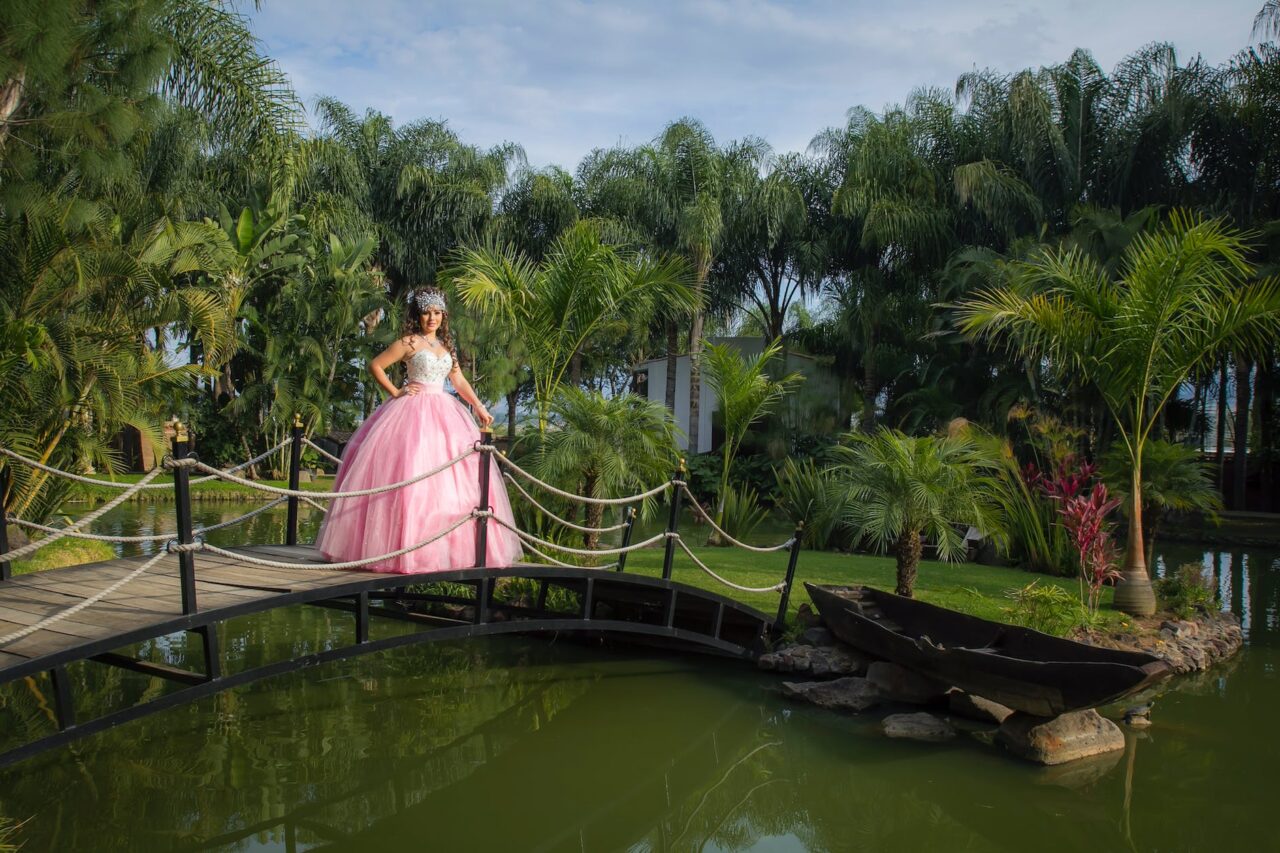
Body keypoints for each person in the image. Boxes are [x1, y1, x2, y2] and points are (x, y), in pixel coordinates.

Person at [314, 287, 522, 572]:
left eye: (437, 313)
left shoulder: (447, 347)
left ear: (443, 316)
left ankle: (445, 550)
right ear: (418, 315)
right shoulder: (409, 342)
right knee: (410, 478)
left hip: (447, 414)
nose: (432, 318)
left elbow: (458, 380)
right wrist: (396, 392)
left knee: (451, 486)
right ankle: (401, 552)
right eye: (427, 313)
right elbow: (376, 365)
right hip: (412, 412)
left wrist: (479, 406)